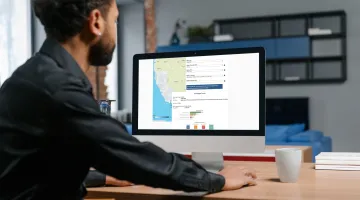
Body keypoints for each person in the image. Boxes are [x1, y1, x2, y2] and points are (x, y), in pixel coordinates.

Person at [0, 0, 257, 199]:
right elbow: (134, 158)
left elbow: (33, 171)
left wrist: (102, 177)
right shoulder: (59, 91)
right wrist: (217, 180)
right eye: (116, 20)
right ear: (97, 22)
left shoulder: (33, 77)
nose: (116, 31)